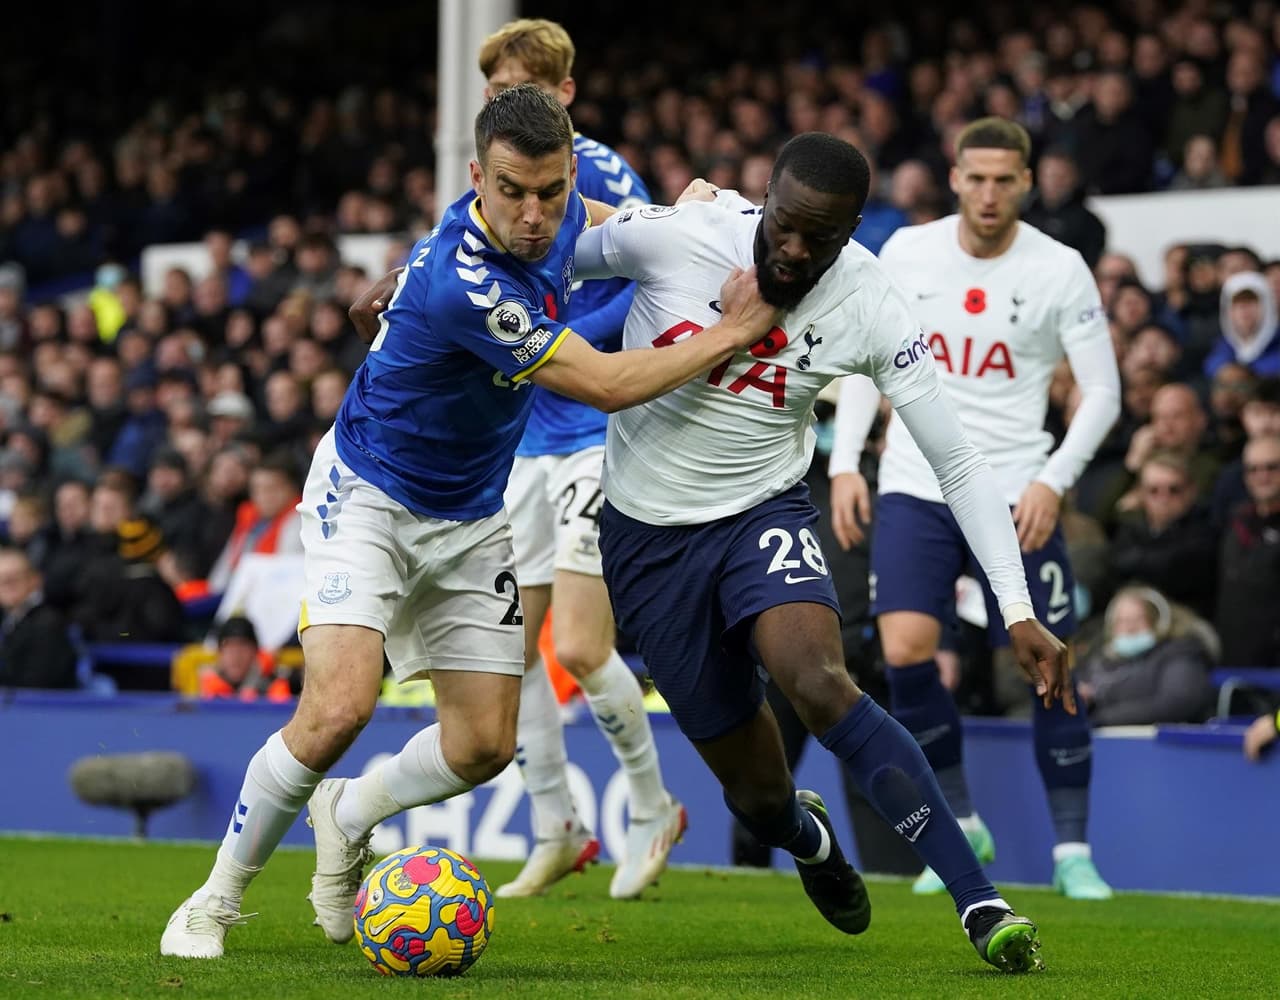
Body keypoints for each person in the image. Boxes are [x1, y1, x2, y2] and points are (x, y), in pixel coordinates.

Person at [159, 84, 778, 960]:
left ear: (569, 171)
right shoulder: (468, 282)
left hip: (470, 510)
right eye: (513, 192)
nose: (536, 216)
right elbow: (602, 383)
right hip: (366, 495)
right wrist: (734, 331)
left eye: (552, 192)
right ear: (477, 178)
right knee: (338, 709)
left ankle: (353, 809)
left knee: (484, 745)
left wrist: (700, 217)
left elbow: (627, 228)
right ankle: (211, 902)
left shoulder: (560, 212)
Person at [571, 132, 1072, 974]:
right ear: (762, 202)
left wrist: (1015, 606)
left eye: (824, 238)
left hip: (759, 513)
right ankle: (805, 837)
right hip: (646, 540)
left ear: (852, 233)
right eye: (786, 229)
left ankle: (980, 903)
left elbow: (956, 460)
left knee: (819, 683)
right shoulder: (680, 237)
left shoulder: (872, 304)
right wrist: (409, 286)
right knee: (760, 798)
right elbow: (533, 251)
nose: (797, 252)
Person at [829, 117, 1121, 901]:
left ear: (1027, 182)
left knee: (1048, 662)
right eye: (977, 178)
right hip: (916, 482)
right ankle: (962, 820)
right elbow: (862, 359)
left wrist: (1054, 479)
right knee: (905, 652)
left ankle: (1072, 852)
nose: (990, 193)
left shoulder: (1060, 269)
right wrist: (845, 460)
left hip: (1015, 488)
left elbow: (1103, 392)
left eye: (1006, 180)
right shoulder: (908, 252)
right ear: (954, 179)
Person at [476, 18, 682, 901]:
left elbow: (647, 280)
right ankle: (556, 823)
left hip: (593, 435)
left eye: (514, 90)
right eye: (491, 96)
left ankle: (651, 806)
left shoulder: (596, 174)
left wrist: (554, 348)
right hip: (524, 440)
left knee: (584, 641)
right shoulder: (498, 173)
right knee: (512, 646)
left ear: (561, 95)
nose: (500, 108)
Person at [1075, 587, 1214, 726]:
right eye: (1122, 621)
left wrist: (1101, 719)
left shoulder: (1180, 653)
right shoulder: (1100, 658)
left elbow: (1177, 702)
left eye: (1138, 620)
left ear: (1158, 623)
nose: (1129, 628)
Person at [0, 547, 78, 689]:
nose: (7, 585)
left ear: (35, 580)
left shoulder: (47, 624)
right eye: (2, 579)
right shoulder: (13, 621)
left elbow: (37, 684)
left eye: (14, 578)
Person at [198, 615, 292, 703]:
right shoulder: (206, 688)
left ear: (255, 652)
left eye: (243, 646)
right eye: (229, 647)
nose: (236, 655)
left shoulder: (272, 688)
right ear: (219, 653)